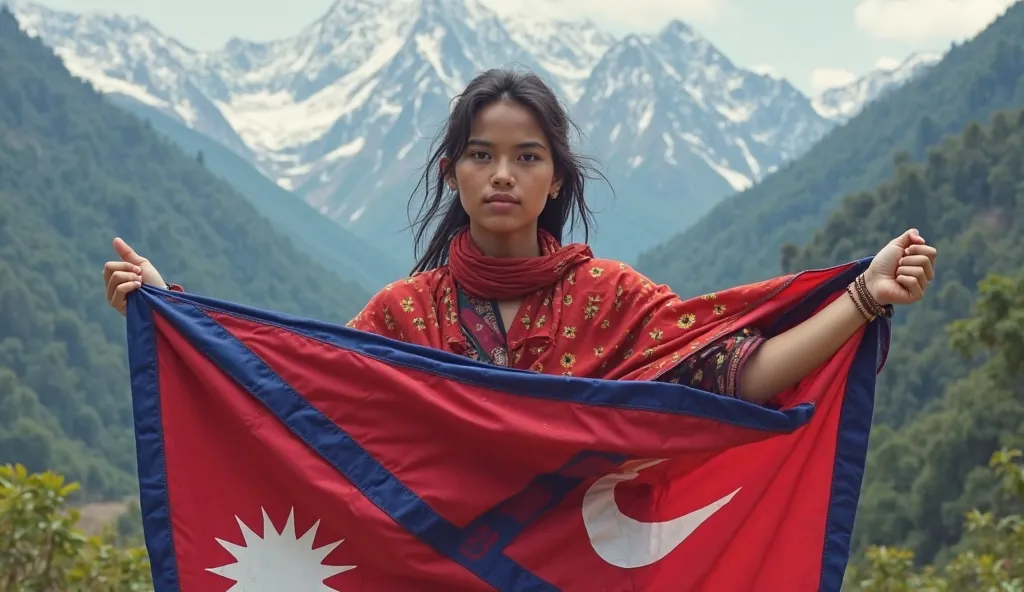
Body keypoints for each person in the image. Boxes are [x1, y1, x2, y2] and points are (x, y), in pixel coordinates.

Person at [102, 67, 936, 406]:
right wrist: (173, 314)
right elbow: (296, 396)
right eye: (481, 155)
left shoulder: (618, 301)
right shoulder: (403, 316)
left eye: (525, 156)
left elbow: (739, 373)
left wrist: (865, 295)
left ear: (555, 179)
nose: (502, 174)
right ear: (454, 174)